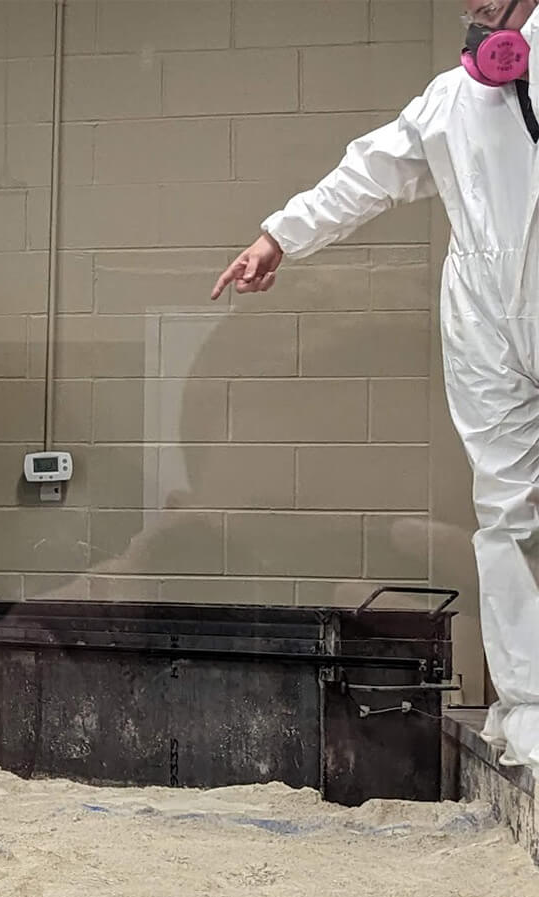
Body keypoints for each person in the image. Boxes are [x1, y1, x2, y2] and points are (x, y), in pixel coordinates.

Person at [211, 0, 539, 769]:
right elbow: (367, 172)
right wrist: (278, 236)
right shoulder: (449, 100)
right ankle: (528, 708)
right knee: (505, 511)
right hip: (485, 317)